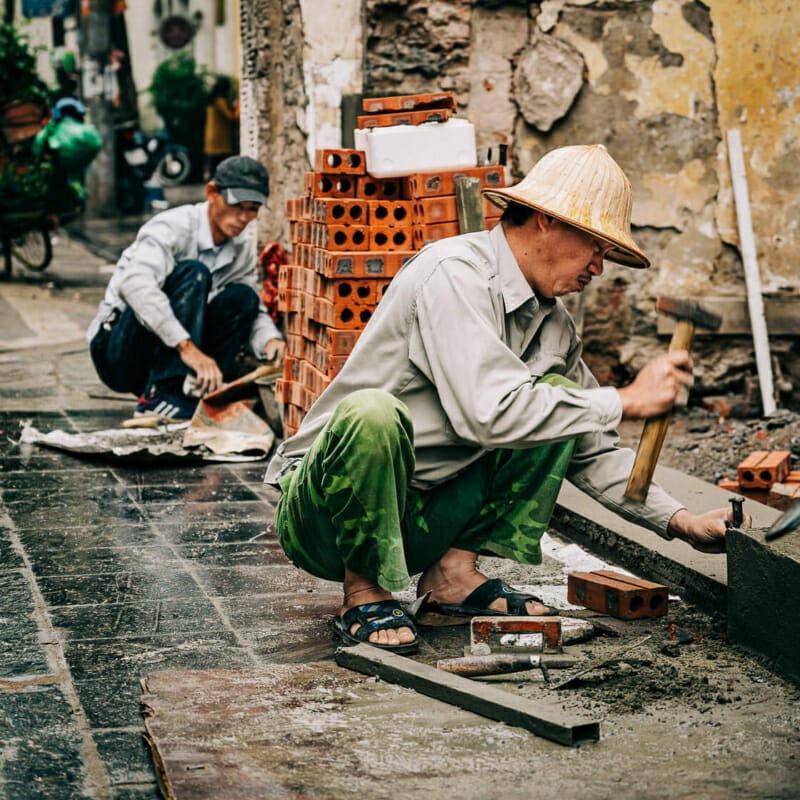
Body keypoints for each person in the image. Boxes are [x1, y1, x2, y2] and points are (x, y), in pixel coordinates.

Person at [264, 144, 750, 654]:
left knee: (557, 400)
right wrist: (626, 399)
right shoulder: (453, 273)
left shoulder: (553, 326)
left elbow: (589, 445)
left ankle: (452, 574)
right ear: (545, 221)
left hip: (422, 513)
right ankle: (362, 589)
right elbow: (489, 413)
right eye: (595, 247)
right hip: (325, 517)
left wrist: (682, 522)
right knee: (373, 414)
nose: (598, 269)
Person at [87, 155, 285, 421]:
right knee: (194, 273)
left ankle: (197, 393)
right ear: (212, 192)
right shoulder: (173, 227)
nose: (243, 217)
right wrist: (187, 348)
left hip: (170, 352)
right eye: (237, 205)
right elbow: (134, 284)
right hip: (118, 352)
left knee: (244, 298)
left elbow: (255, 310)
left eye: (253, 209)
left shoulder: (240, 250)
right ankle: (162, 394)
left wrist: (270, 341)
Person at [204, 76, 239, 180]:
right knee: (221, 163)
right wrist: (238, 110)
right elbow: (230, 116)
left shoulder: (213, 100)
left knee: (215, 163)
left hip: (213, 138)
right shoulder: (220, 101)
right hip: (219, 139)